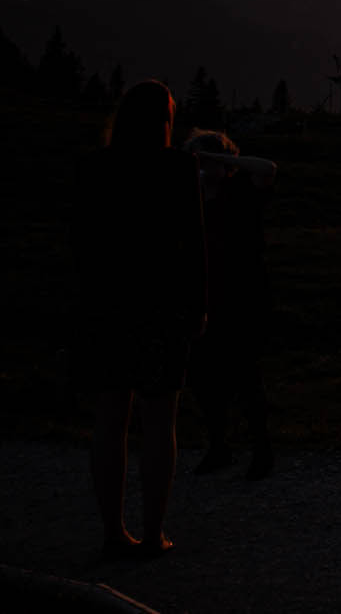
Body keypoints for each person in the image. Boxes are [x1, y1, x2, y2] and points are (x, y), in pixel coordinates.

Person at [73, 80, 205, 559]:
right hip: (163, 308)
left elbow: (83, 246)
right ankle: (153, 533)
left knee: (109, 419)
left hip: (106, 307)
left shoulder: (95, 168)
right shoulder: (178, 168)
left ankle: (112, 531)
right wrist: (198, 306)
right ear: (163, 121)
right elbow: (194, 246)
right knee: (158, 421)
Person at [182, 129, 279, 480]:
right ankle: (219, 447)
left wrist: (222, 160)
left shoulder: (241, 190)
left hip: (243, 295)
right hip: (203, 295)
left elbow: (267, 167)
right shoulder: (190, 199)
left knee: (245, 374)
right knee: (203, 376)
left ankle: (261, 450)